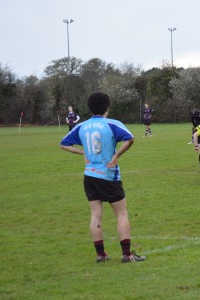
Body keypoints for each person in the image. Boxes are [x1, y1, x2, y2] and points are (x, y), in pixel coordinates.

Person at [60, 92, 145, 263]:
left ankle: (101, 255)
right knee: (121, 213)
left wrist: (83, 151)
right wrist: (116, 156)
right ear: (107, 107)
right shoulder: (112, 124)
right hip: (108, 175)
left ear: (90, 108)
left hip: (89, 176)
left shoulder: (82, 126)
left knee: (95, 215)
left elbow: (63, 144)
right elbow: (130, 139)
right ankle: (127, 254)